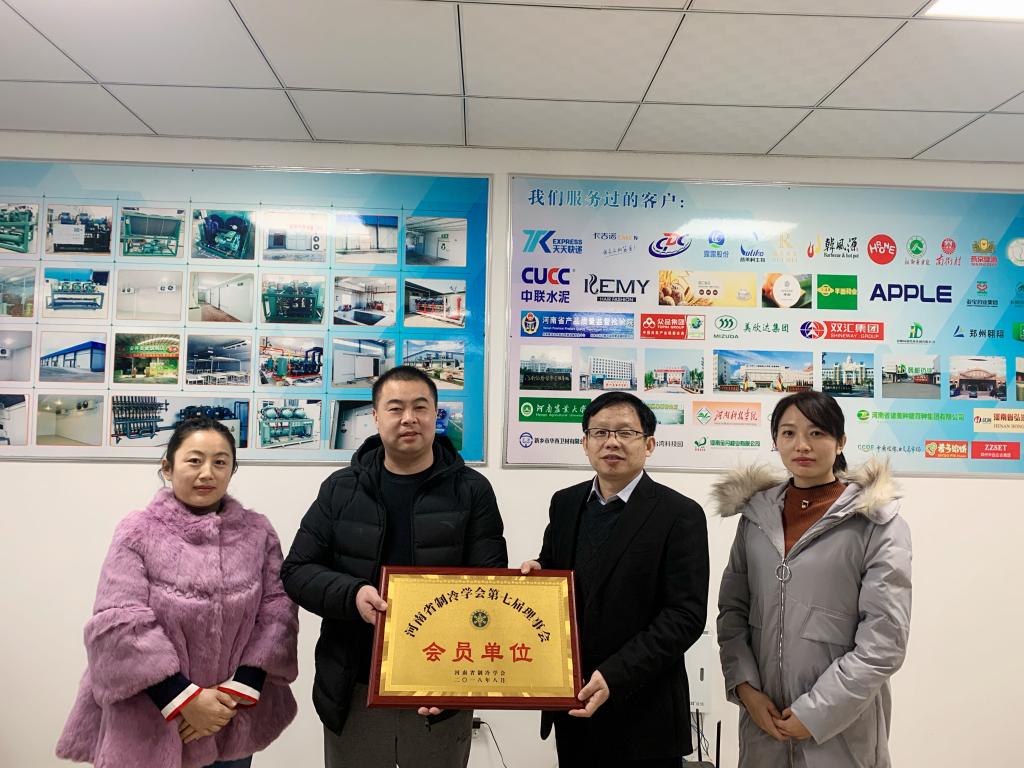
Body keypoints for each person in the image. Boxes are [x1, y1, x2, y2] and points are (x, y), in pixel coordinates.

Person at [282, 365, 507, 768]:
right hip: (354, 684)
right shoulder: (340, 489)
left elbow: (490, 587)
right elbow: (297, 570)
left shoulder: (471, 491)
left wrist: (457, 684)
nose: (409, 418)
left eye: (420, 407)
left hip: (440, 681)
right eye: (395, 408)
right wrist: (352, 594)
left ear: (436, 414)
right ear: (375, 416)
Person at [57, 416, 299, 768]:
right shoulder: (138, 531)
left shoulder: (258, 532)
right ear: (168, 468)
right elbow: (118, 625)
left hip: (229, 719)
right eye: (194, 460)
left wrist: (235, 693)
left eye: (220, 462)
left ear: (232, 470)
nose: (207, 473)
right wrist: (185, 700)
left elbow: (278, 612)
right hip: (152, 719)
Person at [715, 390, 912, 768]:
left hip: (841, 729)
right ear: (775, 441)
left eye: (817, 433)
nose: (802, 445)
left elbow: (885, 639)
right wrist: (745, 689)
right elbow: (732, 612)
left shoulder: (876, 522)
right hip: (764, 724)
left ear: (841, 442)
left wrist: (816, 712)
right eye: (788, 433)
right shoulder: (756, 519)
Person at [520, 391, 709, 768]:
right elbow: (560, 571)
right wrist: (540, 572)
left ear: (649, 444)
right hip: (574, 705)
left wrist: (614, 675)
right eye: (600, 432)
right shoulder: (565, 503)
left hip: (646, 715)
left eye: (625, 432)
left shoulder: (679, 514)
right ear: (585, 443)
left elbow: (684, 616)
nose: (612, 442)